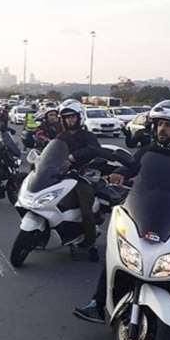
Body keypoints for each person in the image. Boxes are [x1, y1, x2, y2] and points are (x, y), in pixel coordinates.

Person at [74, 100, 170, 338]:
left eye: (168, 126)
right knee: (116, 251)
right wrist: (119, 174)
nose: (162, 129)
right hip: (145, 212)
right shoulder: (147, 151)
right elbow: (131, 167)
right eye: (160, 124)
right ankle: (97, 304)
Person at [55, 99, 102, 250]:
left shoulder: (87, 135)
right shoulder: (61, 137)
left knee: (86, 210)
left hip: (82, 176)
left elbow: (94, 149)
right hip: (62, 176)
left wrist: (73, 157)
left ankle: (90, 241)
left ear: (79, 117)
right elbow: (52, 152)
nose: (70, 120)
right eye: (67, 117)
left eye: (73, 117)